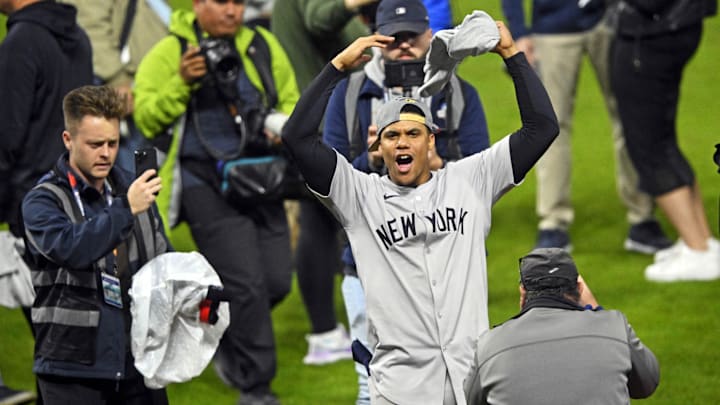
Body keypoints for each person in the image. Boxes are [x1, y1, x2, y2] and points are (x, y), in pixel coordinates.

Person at [282, 17, 560, 404]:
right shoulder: (357, 196)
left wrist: (511, 54)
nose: (402, 143)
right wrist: (338, 67)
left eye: (413, 133)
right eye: (392, 135)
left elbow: (542, 127)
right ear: (379, 145)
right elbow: (296, 137)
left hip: (472, 382)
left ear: (431, 141)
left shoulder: (472, 180)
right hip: (401, 391)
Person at [321, 0, 490, 401]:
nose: (402, 47)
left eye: (411, 37)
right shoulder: (349, 95)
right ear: (376, 40)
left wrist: (436, 165)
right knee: (372, 381)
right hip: (368, 261)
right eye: (392, 39)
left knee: (460, 376)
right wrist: (373, 158)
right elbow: (326, 179)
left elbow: (484, 174)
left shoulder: (459, 94)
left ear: (429, 36)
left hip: (448, 258)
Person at [133, 1, 299, 403]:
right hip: (202, 184)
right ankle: (256, 389)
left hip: (259, 179)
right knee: (247, 287)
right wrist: (182, 81)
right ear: (197, 5)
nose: (232, 11)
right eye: (222, 2)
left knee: (277, 281)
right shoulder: (171, 52)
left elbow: (292, 99)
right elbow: (147, 118)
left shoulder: (261, 43)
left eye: (239, 2)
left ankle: (217, 326)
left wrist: (283, 126)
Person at [21, 85, 170, 405]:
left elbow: (161, 259)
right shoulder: (43, 201)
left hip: (138, 364)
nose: (106, 153)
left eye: (113, 143)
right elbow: (73, 249)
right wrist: (125, 210)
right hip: (72, 368)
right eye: (94, 144)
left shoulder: (134, 192)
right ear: (68, 140)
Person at [501, 0, 672, 253]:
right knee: (550, 127)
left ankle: (642, 219)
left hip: (609, 21)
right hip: (551, 29)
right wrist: (519, 31)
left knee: (630, 119)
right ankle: (553, 222)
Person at [271, 0, 375, 366]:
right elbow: (320, 20)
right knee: (320, 221)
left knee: (322, 221)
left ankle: (328, 330)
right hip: (319, 120)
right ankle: (325, 332)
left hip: (322, 116)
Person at [611, 0, 720, 281]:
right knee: (662, 139)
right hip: (672, 28)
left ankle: (698, 250)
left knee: (648, 147)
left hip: (654, 33)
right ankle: (702, 241)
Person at [464, 248, 660, 404]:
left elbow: (467, 400)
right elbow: (647, 384)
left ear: (523, 292)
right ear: (580, 289)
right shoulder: (615, 327)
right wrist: (596, 310)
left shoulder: (490, 344)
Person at [0, 0, 92, 243]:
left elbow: (7, 136)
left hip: (28, 204)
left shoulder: (21, 42)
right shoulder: (80, 39)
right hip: (76, 197)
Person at [61, 0, 171, 172]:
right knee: (123, 178)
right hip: (117, 85)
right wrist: (117, 78)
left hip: (141, 85)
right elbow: (90, 25)